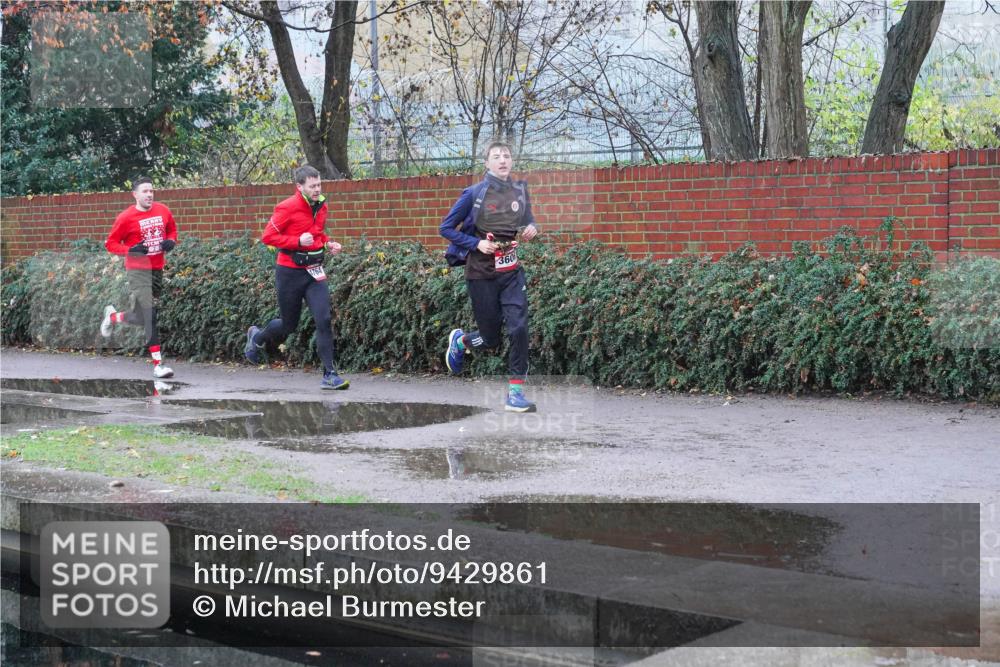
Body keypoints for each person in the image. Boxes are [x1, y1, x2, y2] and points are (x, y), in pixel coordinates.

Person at [439, 141, 539, 413]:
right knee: (491, 339)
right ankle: (461, 342)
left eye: (506, 155)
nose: (503, 160)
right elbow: (446, 228)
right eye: (496, 156)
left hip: (511, 273)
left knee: (518, 328)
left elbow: (527, 219)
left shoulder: (519, 191)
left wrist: (531, 228)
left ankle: (515, 393)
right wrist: (475, 244)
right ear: (487, 164)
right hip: (481, 274)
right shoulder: (473, 194)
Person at [244, 165, 349, 390]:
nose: (316, 189)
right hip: (289, 273)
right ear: (299, 187)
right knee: (289, 325)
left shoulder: (321, 205)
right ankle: (257, 337)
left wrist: (328, 243)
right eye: (312, 186)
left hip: (314, 272)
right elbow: (268, 237)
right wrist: (297, 242)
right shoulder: (287, 207)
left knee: (323, 320)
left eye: (319, 184)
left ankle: (330, 374)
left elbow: (318, 233)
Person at [101, 177, 178, 378]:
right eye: (145, 191)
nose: (149, 194)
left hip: (156, 269)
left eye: (151, 191)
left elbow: (171, 229)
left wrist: (171, 241)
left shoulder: (163, 210)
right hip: (137, 271)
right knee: (150, 314)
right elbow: (110, 243)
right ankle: (158, 365)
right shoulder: (125, 218)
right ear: (135, 194)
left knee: (140, 317)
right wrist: (130, 250)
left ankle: (112, 316)